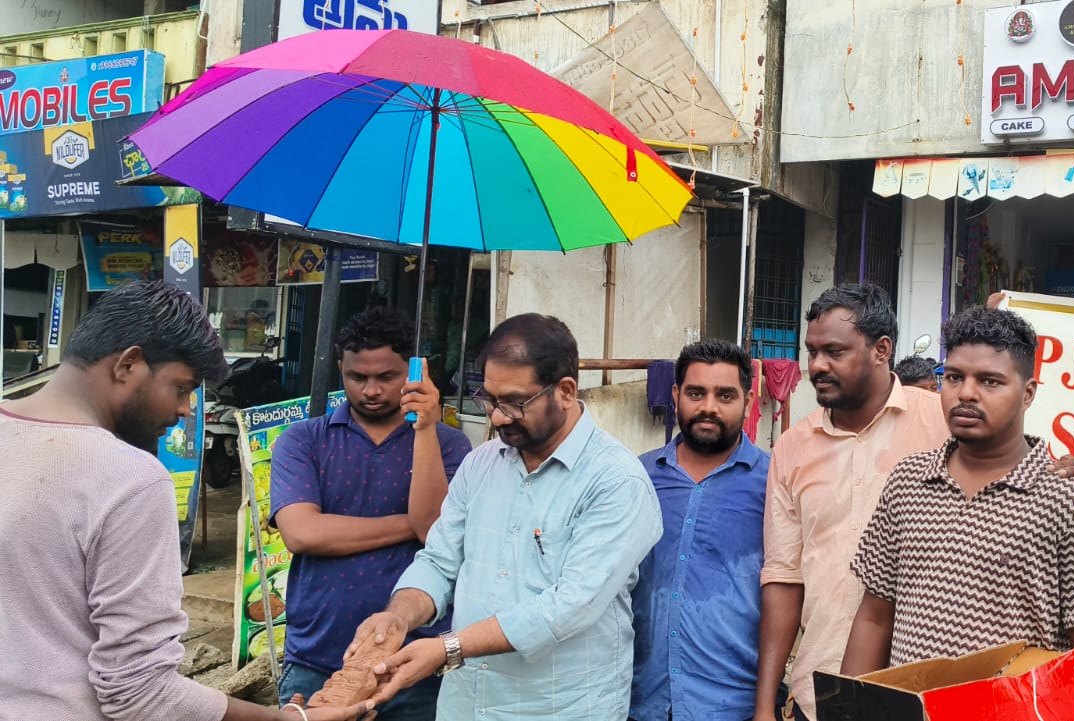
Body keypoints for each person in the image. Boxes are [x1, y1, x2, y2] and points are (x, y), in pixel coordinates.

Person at [0, 281, 371, 721]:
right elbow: (140, 693)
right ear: (129, 365)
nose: (185, 411)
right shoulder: (128, 478)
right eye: (181, 388)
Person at [756, 285, 1074, 721]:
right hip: (842, 691)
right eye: (955, 378)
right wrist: (782, 705)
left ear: (882, 350)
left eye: (834, 351)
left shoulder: (950, 425)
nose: (817, 365)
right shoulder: (831, 459)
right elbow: (801, 584)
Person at [352, 313, 663, 720]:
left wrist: (449, 648)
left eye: (514, 403)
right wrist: (398, 616)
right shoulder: (480, 464)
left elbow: (570, 606)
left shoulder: (616, 480)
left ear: (565, 391)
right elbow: (440, 562)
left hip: (559, 709)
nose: (497, 417)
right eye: (489, 399)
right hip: (466, 705)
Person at [838, 306, 1074, 721]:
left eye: (990, 381)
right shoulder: (907, 481)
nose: (966, 393)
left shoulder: (1071, 499)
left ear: (1027, 393)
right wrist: (847, 712)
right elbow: (874, 619)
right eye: (954, 377)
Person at [270, 308, 473, 720]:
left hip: (417, 658)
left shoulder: (450, 446)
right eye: (357, 377)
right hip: (318, 656)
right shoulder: (304, 440)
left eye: (387, 377)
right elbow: (302, 533)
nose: (371, 390)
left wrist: (425, 429)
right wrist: (409, 524)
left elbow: (433, 531)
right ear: (340, 369)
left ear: (414, 372)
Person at [631, 340, 770, 721]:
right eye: (696, 393)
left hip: (734, 704)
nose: (709, 406)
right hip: (641, 700)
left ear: (748, 401)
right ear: (676, 395)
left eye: (725, 395)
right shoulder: (636, 477)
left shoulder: (774, 482)